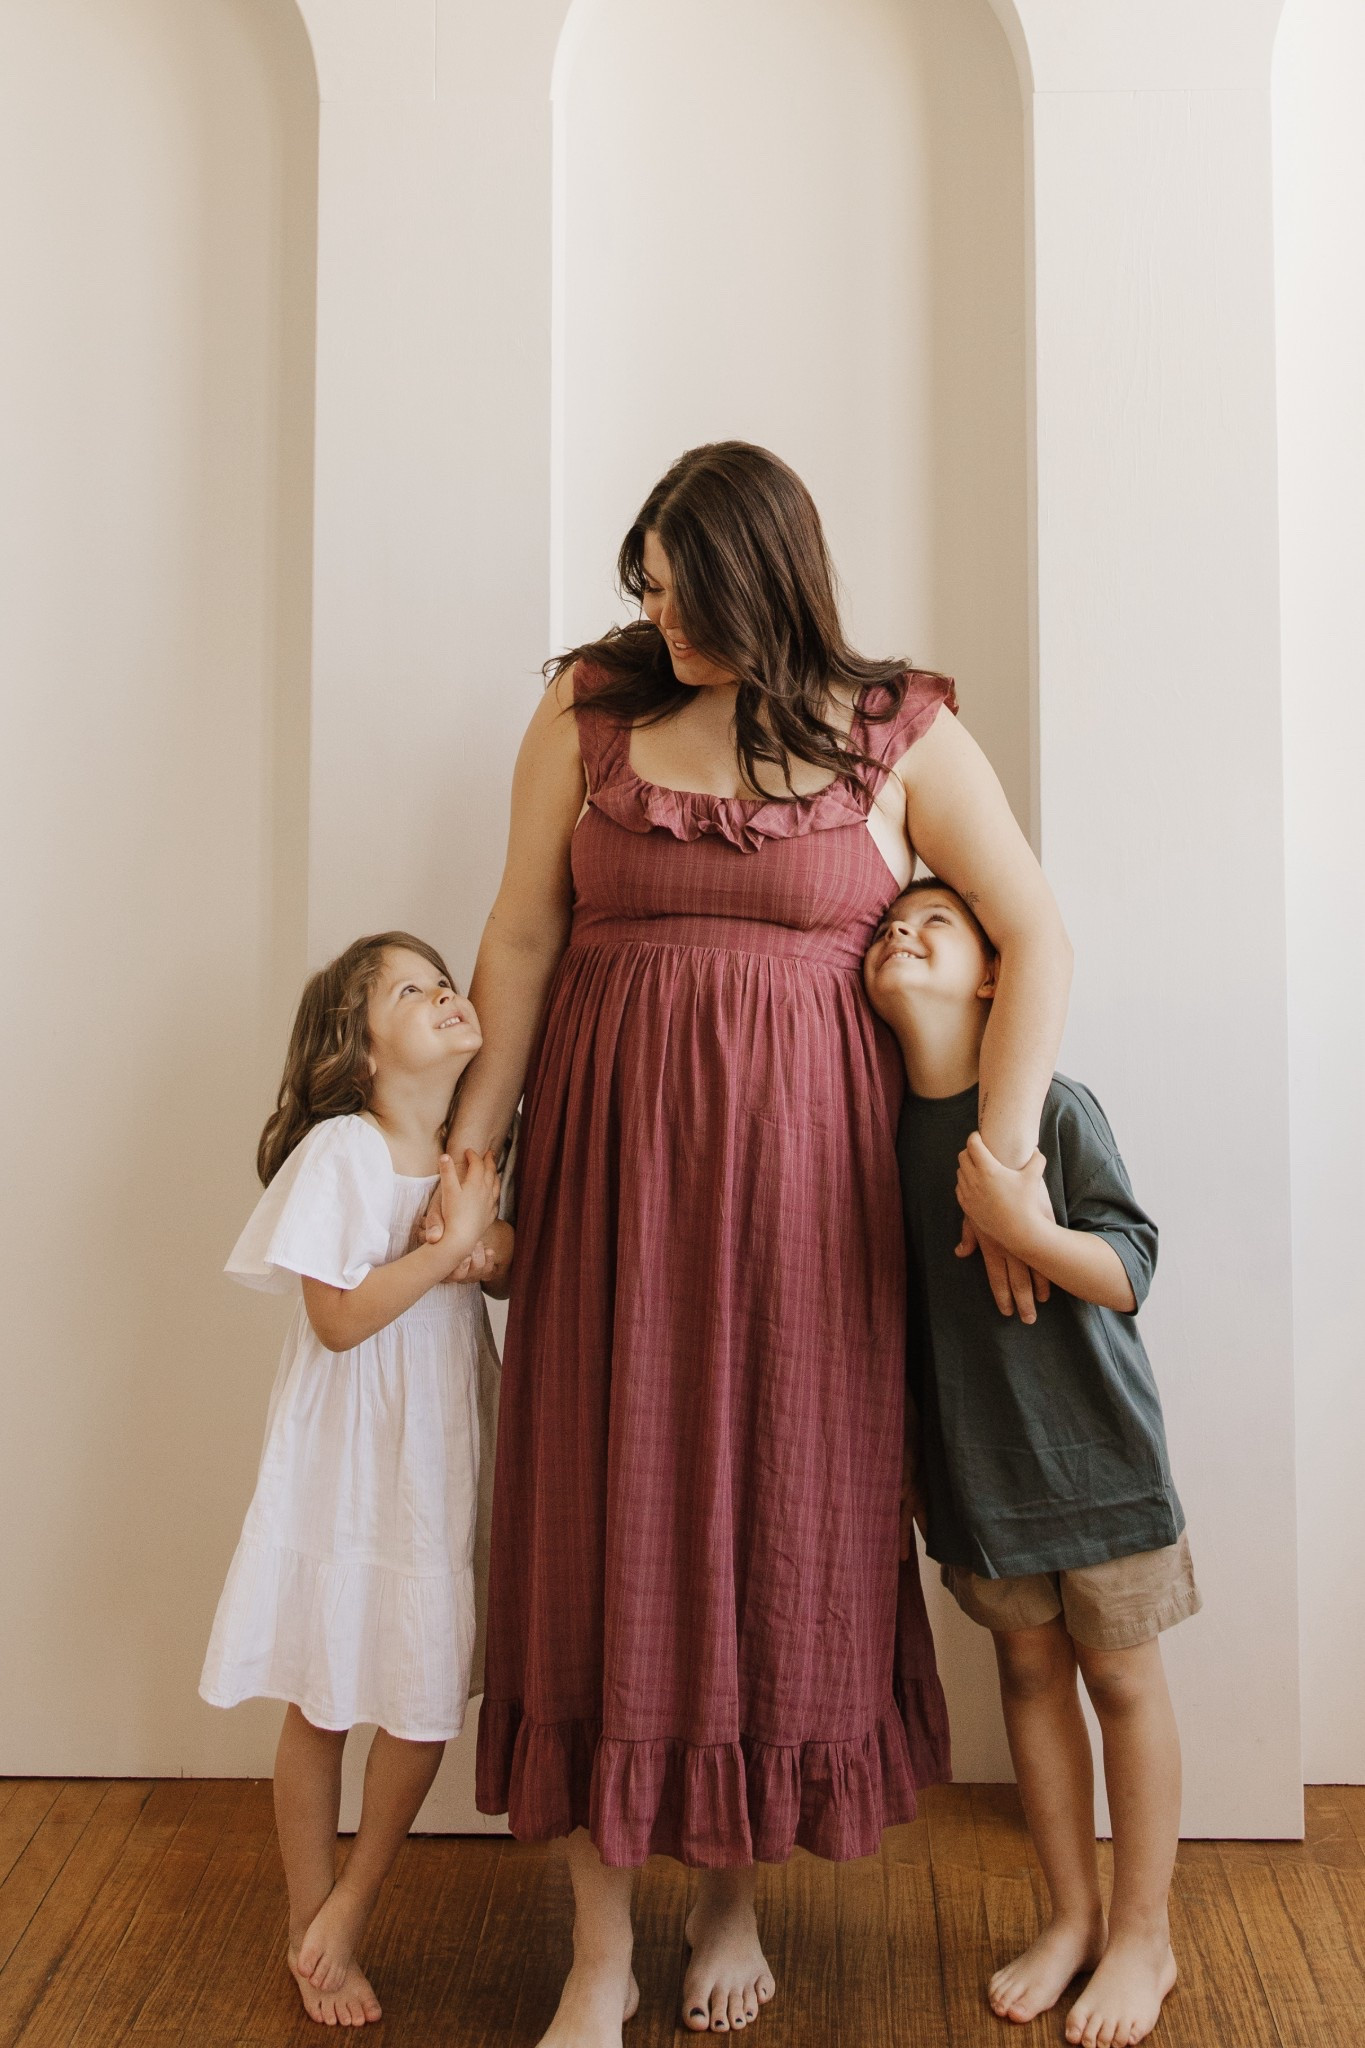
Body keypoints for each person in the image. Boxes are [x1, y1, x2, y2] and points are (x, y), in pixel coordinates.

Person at [427, 442, 1072, 2044]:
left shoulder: (895, 726)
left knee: (785, 1518)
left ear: (762, 577)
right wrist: (470, 1151)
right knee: (601, 1519)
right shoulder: (591, 709)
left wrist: (1002, 1159)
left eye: (683, 587)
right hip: (611, 1182)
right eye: (642, 582)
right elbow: (519, 934)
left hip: (816, 1201)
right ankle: (596, 1951)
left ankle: (728, 1897)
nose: (657, 613)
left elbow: (1035, 929)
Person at [864, 879, 1199, 2048]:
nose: (899, 934)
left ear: (997, 970)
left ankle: (1143, 1932)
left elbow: (1130, 1266)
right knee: (1027, 1680)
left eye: (935, 925)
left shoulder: (1050, 1108)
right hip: (978, 1472)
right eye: (886, 928)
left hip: (1097, 1456)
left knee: (1122, 1681)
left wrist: (1026, 1226)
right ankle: (1070, 1916)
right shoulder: (876, 1129)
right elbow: (887, 1308)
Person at [200, 933, 507, 2028]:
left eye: (443, 978)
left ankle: (354, 1900)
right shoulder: (343, 1149)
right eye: (410, 989)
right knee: (325, 1690)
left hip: (437, 1453)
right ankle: (306, 1914)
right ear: (360, 1048)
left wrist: (483, 1237)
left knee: (423, 1700)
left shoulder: (479, 1152)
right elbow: (336, 1319)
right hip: (350, 1457)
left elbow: (511, 1258)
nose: (443, 993)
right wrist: (447, 1249)